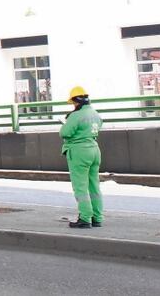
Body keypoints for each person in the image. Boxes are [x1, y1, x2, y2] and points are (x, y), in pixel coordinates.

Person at [60, 85, 103, 229]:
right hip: (94, 150)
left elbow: (64, 133)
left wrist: (67, 122)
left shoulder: (76, 115)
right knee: (94, 186)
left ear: (76, 101)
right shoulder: (95, 114)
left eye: (73, 103)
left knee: (80, 186)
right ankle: (97, 217)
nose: (73, 105)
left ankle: (85, 218)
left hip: (79, 151)